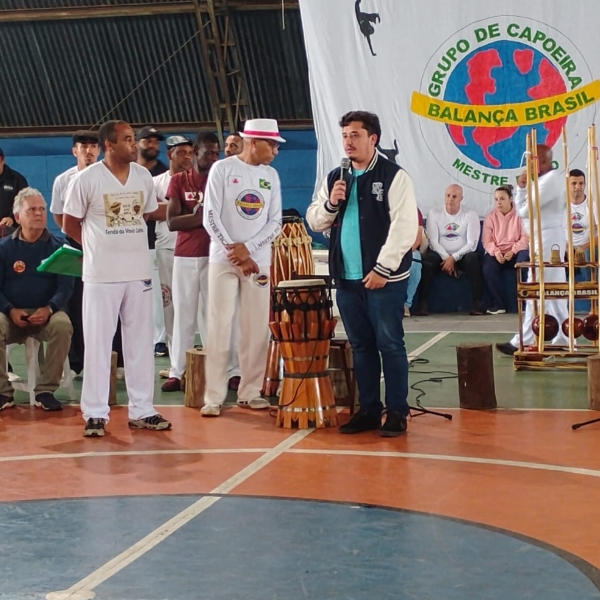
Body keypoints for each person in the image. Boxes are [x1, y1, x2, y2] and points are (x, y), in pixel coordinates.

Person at [307, 110, 418, 437]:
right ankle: (368, 409)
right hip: (347, 280)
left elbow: (405, 227)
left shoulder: (394, 176)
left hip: (384, 280)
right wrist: (331, 203)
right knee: (361, 346)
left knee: (390, 344)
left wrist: (383, 268)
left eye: (355, 135)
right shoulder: (336, 177)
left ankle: (396, 411)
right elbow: (314, 220)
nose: (348, 141)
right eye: (344, 136)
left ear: (373, 138)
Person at [63, 119, 171, 437]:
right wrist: (94, 247)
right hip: (101, 274)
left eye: (133, 138)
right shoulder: (87, 179)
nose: (134, 144)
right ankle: (95, 413)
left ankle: (143, 410)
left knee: (140, 344)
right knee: (98, 343)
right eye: (127, 139)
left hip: (138, 272)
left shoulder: (142, 176)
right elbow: (69, 223)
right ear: (109, 145)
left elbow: (146, 214)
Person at [201, 118, 283, 417]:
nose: (275, 151)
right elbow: (210, 216)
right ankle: (213, 396)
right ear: (253, 142)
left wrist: (248, 249)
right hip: (223, 260)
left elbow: (275, 222)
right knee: (219, 327)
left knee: (256, 328)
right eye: (271, 144)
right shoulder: (222, 169)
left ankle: (251, 392)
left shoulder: (271, 175)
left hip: (258, 262)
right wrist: (232, 249)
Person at [0, 188, 74, 412]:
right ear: (17, 217)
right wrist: (10, 310)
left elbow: (66, 287)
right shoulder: (4, 248)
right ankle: (3, 393)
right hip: (11, 316)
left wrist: (49, 308)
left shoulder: (60, 247)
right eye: (31, 209)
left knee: (63, 325)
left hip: (47, 314)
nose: (39, 213)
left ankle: (45, 391)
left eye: (42, 209)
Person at [160, 132, 221, 392]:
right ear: (195, 152)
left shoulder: (220, 180)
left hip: (214, 254)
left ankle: (219, 370)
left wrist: (193, 217)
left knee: (212, 317)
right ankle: (177, 371)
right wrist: (205, 217)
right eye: (208, 153)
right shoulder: (178, 180)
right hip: (184, 254)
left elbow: (225, 218)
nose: (213, 158)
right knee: (183, 315)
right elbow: (172, 222)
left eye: (217, 153)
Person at [496, 144, 569, 355]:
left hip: (548, 238)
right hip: (542, 238)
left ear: (542, 161)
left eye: (532, 162)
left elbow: (525, 211)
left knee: (535, 287)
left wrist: (521, 189)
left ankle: (522, 339)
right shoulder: (543, 181)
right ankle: (565, 335)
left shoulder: (551, 180)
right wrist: (522, 188)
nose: (528, 166)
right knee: (552, 290)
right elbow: (524, 211)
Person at [50, 130, 100, 375]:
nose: (88, 151)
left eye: (93, 146)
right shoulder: (63, 180)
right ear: (74, 151)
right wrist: (79, 238)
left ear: (99, 150)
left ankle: (117, 360)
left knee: (108, 302)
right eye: (83, 146)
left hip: (104, 245)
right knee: (77, 303)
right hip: (75, 245)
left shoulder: (108, 176)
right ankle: (77, 363)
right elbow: (58, 215)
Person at [152, 135, 194, 364]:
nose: (187, 157)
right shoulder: (156, 182)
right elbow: (149, 211)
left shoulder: (197, 179)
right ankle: (176, 362)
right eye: (182, 153)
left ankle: (200, 359)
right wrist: (183, 209)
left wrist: (170, 209)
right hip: (167, 248)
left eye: (190, 153)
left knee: (196, 305)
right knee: (169, 303)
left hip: (196, 248)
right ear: (169, 154)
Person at [417, 184, 484, 316]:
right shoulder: (434, 213)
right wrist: (446, 258)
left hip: (462, 255)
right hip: (440, 254)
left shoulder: (470, 215)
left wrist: (454, 258)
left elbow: (472, 244)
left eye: (454, 196)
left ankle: (478, 304)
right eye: (448, 195)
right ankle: (422, 304)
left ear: (461, 198)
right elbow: (433, 241)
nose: (450, 199)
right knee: (428, 262)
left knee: (473, 260)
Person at [136, 125, 169, 357]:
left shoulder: (163, 172)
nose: (152, 145)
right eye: (148, 141)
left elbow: (165, 210)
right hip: (130, 241)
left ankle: (160, 339)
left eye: (156, 142)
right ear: (137, 143)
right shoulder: (129, 170)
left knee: (159, 294)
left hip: (155, 241)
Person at [481, 185, 529, 315]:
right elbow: (487, 241)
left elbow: (525, 238)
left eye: (502, 199)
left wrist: (513, 251)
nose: (499, 202)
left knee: (524, 263)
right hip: (497, 252)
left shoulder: (520, 215)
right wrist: (496, 252)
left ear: (511, 199)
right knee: (488, 268)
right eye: (496, 199)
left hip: (516, 251)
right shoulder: (490, 217)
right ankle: (498, 304)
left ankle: (525, 304)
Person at [568, 169, 596, 261]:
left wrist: (583, 247)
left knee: (587, 255)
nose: (578, 186)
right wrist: (566, 248)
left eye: (581, 183)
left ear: (585, 185)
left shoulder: (593, 205)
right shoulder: (561, 206)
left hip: (587, 249)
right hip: (566, 249)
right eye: (574, 183)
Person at [0, 148, 28, 231]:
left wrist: (11, 218)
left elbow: (25, 205)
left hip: (10, 230)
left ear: (3, 160)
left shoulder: (17, 180)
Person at [404, 208, 423, 317]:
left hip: (409, 250)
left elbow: (417, 239)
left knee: (415, 263)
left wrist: (404, 254)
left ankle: (406, 304)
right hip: (386, 251)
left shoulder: (413, 210)